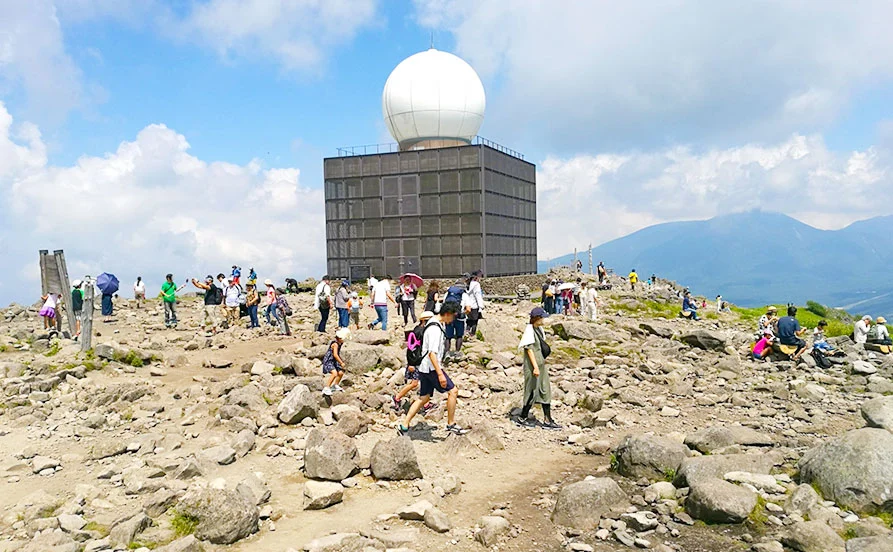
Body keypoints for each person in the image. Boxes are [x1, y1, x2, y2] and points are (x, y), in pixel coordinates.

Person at [397, 301, 468, 436]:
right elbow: (432, 353)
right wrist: (440, 374)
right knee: (453, 391)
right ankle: (451, 424)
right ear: (447, 314)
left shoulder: (433, 322)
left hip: (424, 368)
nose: (452, 320)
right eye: (453, 316)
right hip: (431, 368)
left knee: (423, 398)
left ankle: (404, 425)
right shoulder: (435, 328)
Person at [514, 307, 561, 429]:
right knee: (532, 391)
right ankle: (522, 417)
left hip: (541, 365)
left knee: (545, 389)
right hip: (533, 366)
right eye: (542, 317)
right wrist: (535, 367)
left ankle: (547, 419)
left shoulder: (538, 329)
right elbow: (529, 350)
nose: (544, 319)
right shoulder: (529, 331)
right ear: (537, 318)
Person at [392, 311, 438, 412]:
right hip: (417, 361)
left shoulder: (419, 330)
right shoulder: (420, 332)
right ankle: (397, 397)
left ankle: (425, 403)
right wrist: (411, 363)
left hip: (418, 360)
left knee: (422, 382)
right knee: (415, 383)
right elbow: (412, 348)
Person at [322, 328, 350, 396]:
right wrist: (341, 362)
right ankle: (327, 387)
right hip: (329, 360)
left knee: (340, 372)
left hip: (334, 361)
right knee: (334, 373)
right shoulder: (335, 344)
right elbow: (335, 354)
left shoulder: (340, 343)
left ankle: (335, 385)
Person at [443, 279, 467, 358]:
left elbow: (444, 304)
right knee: (459, 335)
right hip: (459, 318)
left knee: (448, 336)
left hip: (449, 316)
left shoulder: (448, 293)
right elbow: (469, 309)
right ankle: (457, 353)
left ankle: (447, 353)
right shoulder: (464, 294)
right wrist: (463, 313)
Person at [466, 271, 484, 337]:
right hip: (474, 305)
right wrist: (481, 306)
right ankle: (472, 334)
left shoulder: (468, 284)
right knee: (474, 320)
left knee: (469, 319)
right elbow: (478, 295)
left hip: (467, 305)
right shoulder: (476, 285)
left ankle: (467, 331)